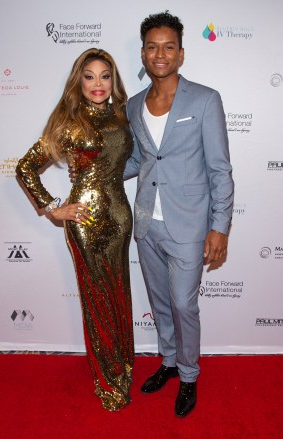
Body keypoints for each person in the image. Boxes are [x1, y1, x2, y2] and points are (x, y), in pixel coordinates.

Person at [123, 11, 234, 418]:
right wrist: (99, 172)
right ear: (143, 53)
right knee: (161, 300)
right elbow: (138, 160)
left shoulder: (205, 99)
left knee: (184, 304)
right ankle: (169, 362)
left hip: (189, 223)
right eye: (152, 47)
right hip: (146, 221)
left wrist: (219, 227)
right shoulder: (134, 105)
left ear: (181, 54)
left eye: (168, 46)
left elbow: (220, 168)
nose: (160, 54)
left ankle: (189, 375)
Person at [16, 48, 134, 411]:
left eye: (105, 75)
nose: (98, 84)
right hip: (84, 220)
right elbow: (25, 168)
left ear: (113, 80)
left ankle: (124, 366)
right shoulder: (69, 121)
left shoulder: (122, 115)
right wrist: (54, 210)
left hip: (120, 217)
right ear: (78, 81)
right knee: (97, 298)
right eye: (89, 76)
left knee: (119, 292)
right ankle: (108, 378)